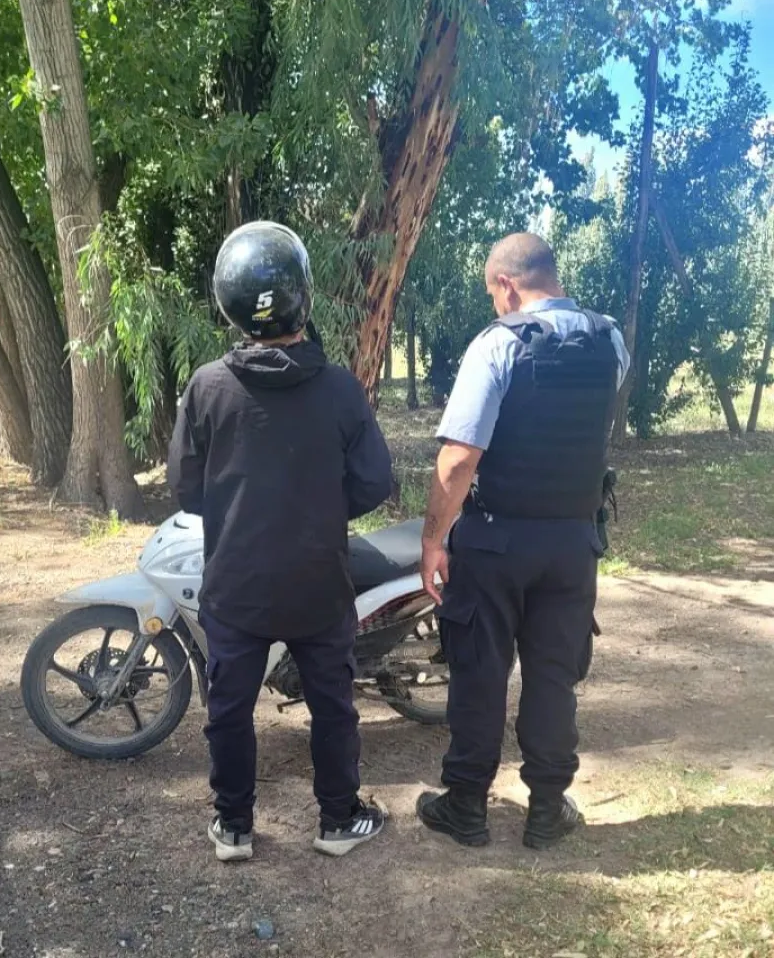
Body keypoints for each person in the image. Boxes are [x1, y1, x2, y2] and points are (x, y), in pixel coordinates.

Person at [167, 221, 393, 861]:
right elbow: (375, 481)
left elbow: (186, 490)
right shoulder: (341, 388)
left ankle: (234, 827)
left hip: (237, 582)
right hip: (319, 581)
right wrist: (322, 509)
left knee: (230, 708)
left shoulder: (208, 387)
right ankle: (338, 820)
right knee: (332, 705)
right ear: (304, 296)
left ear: (228, 304)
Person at [417, 232, 629, 850]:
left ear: (508, 283)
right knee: (553, 678)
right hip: (572, 545)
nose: (494, 306)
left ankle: (466, 808)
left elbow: (458, 462)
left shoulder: (498, 346)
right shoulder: (608, 339)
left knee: (480, 676)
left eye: (493, 294)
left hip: (495, 543)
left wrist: (434, 540)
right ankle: (545, 810)